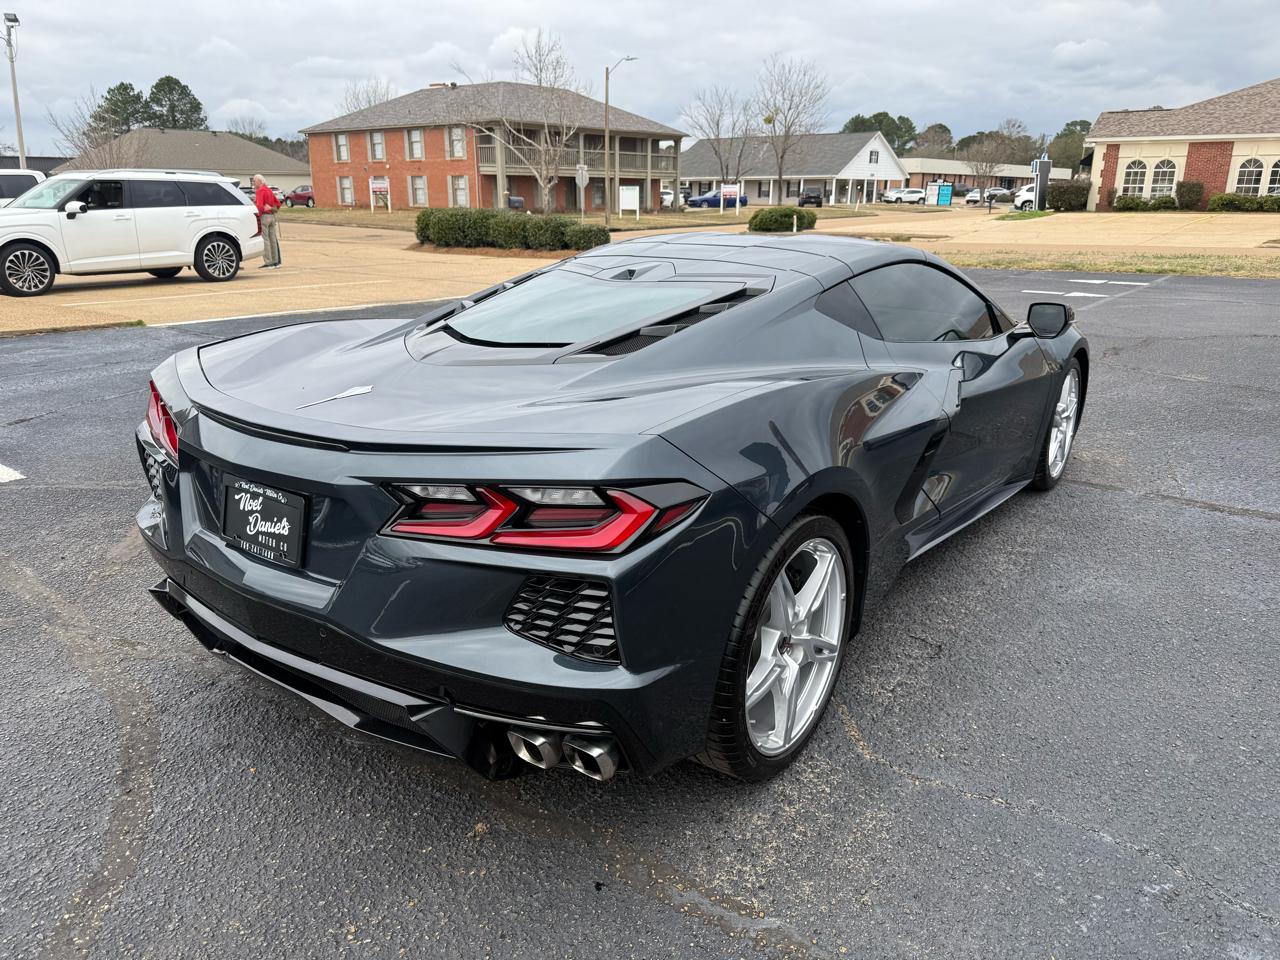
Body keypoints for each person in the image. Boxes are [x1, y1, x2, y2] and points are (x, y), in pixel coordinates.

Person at [253, 174, 282, 269]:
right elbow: (277, 203)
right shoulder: (269, 190)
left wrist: (258, 216)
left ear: (259, 181)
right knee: (272, 239)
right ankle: (275, 261)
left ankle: (268, 262)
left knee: (265, 240)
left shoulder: (260, 191)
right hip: (272, 217)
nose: (253, 183)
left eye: (254, 181)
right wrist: (272, 209)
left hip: (264, 217)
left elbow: (260, 206)